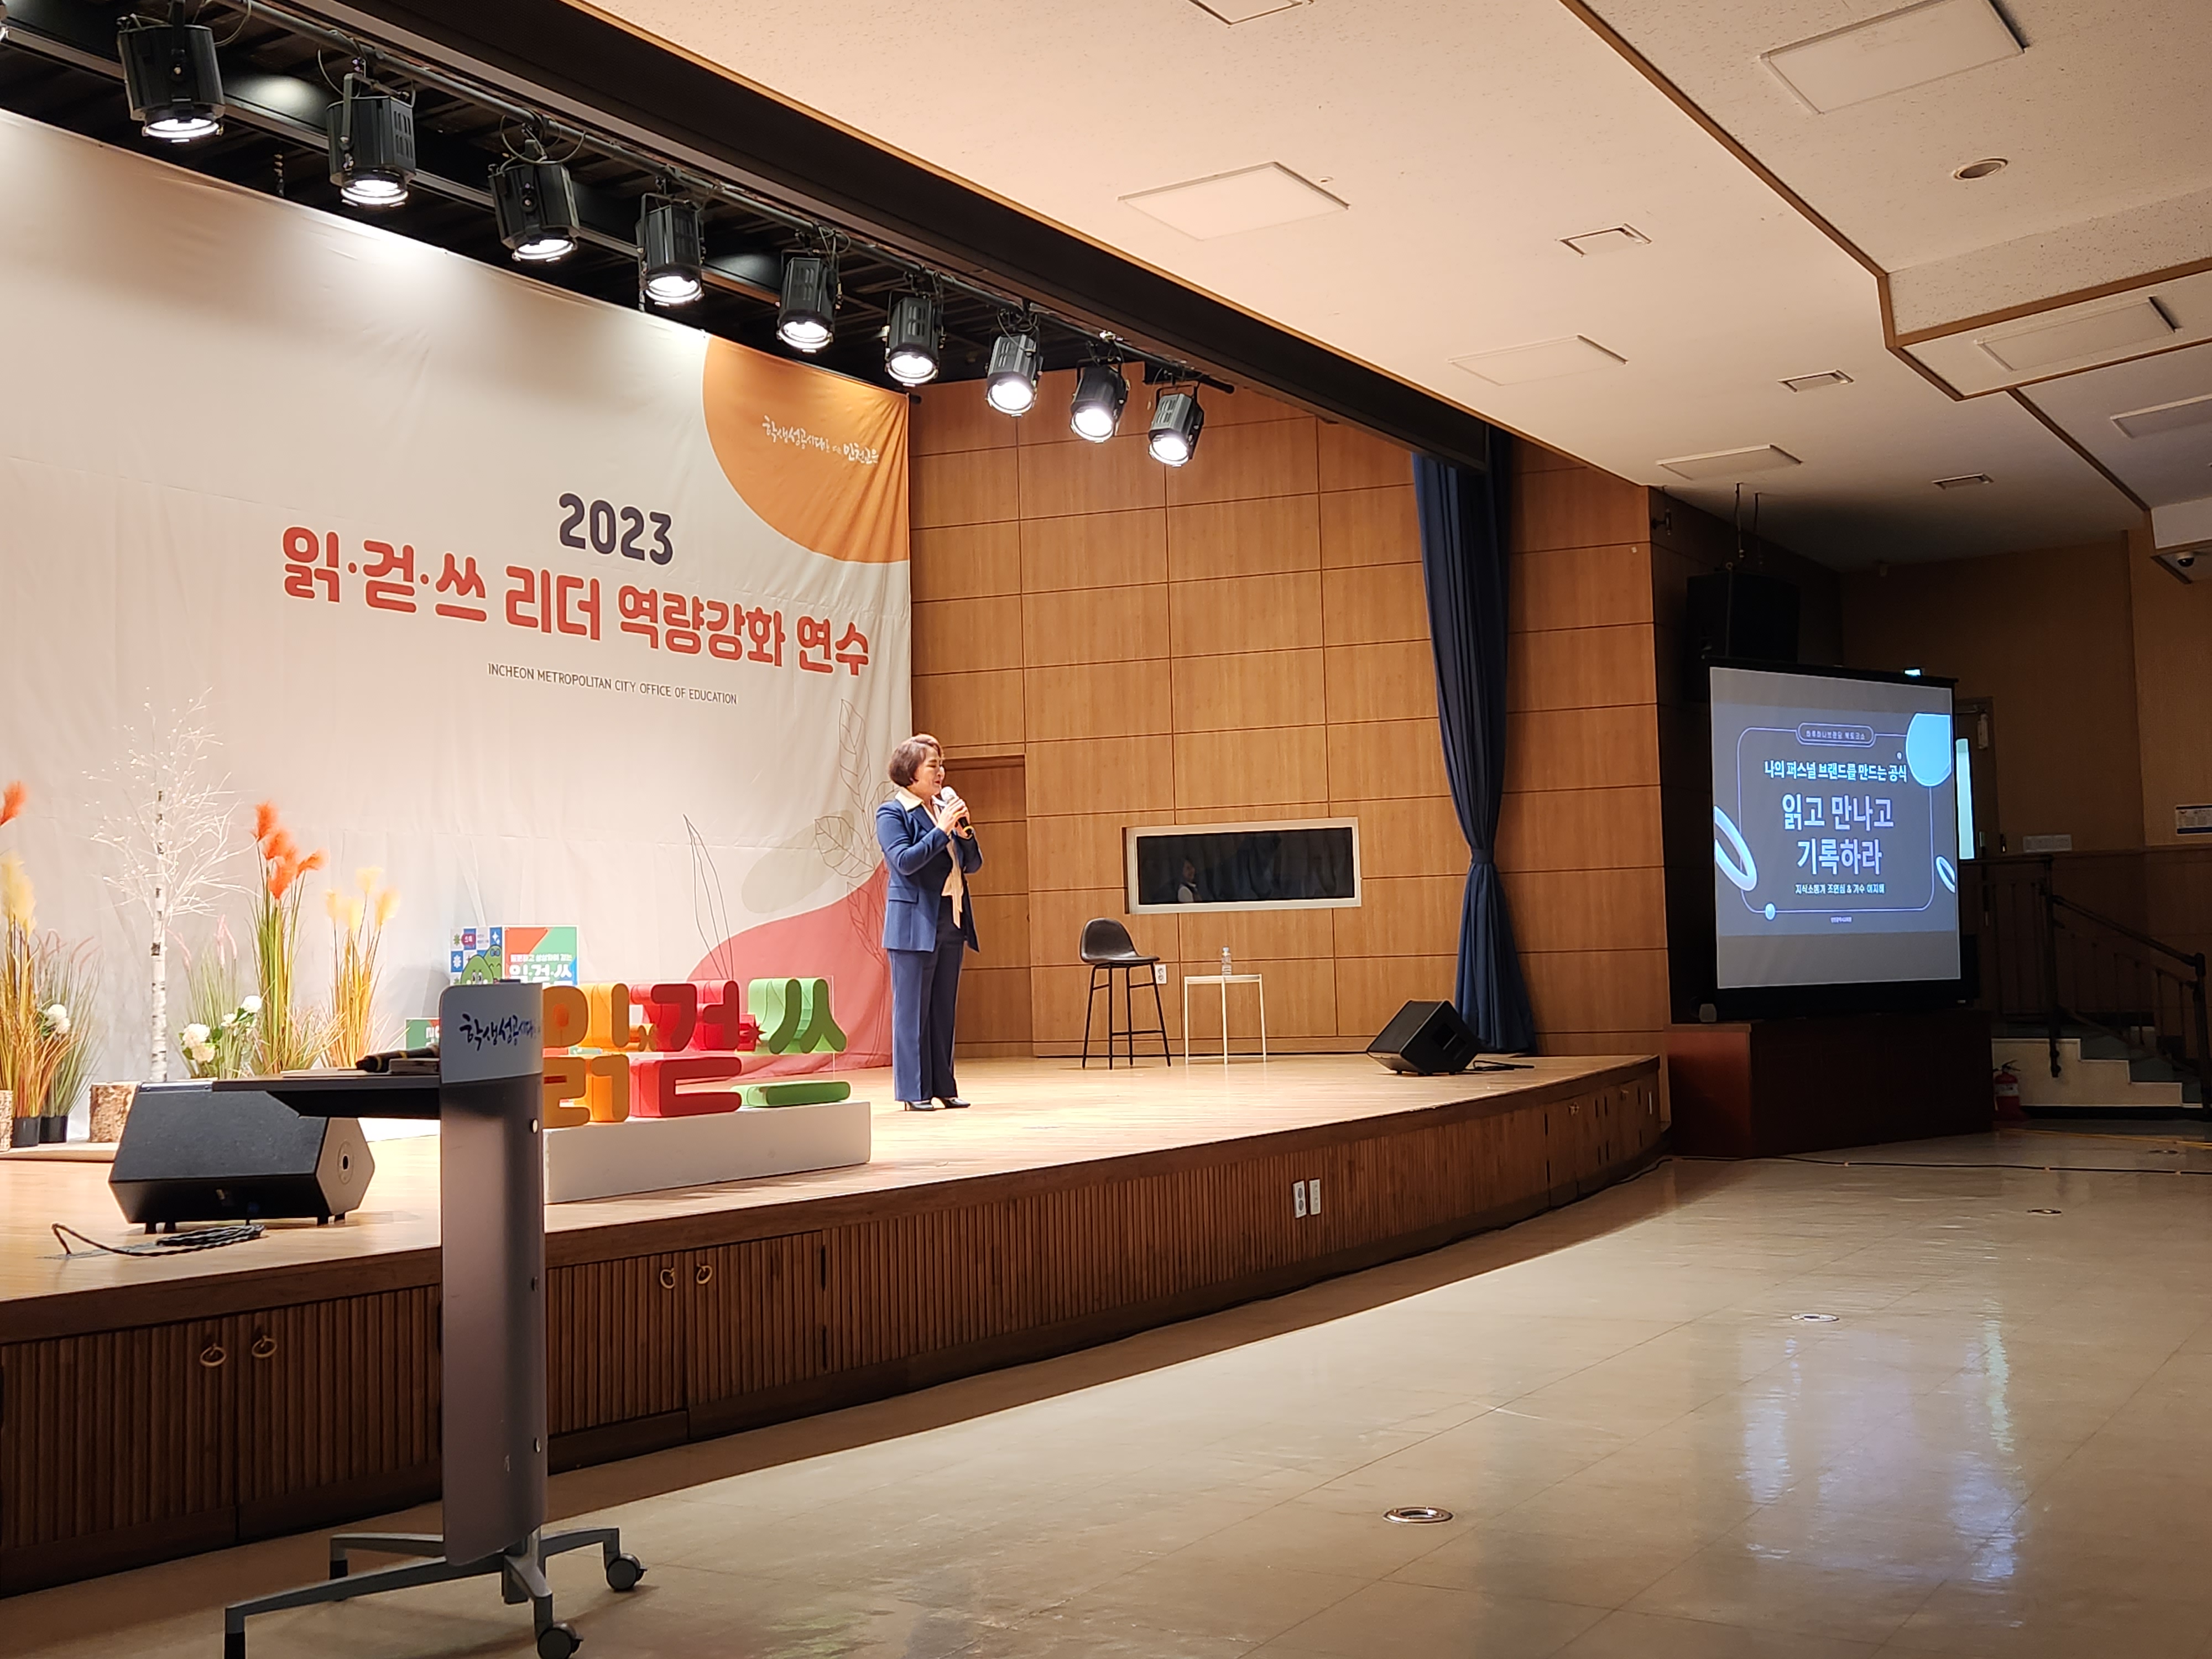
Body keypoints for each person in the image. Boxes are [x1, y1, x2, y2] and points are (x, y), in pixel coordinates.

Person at [876, 735, 981, 1111]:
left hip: (951, 917)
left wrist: (963, 834)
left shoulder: (943, 809)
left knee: (942, 1009)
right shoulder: (893, 813)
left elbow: (973, 864)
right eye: (933, 765)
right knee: (912, 1013)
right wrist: (941, 831)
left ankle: (944, 1087)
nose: (941, 773)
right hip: (913, 923)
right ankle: (914, 1092)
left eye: (941, 765)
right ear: (910, 772)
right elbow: (905, 862)